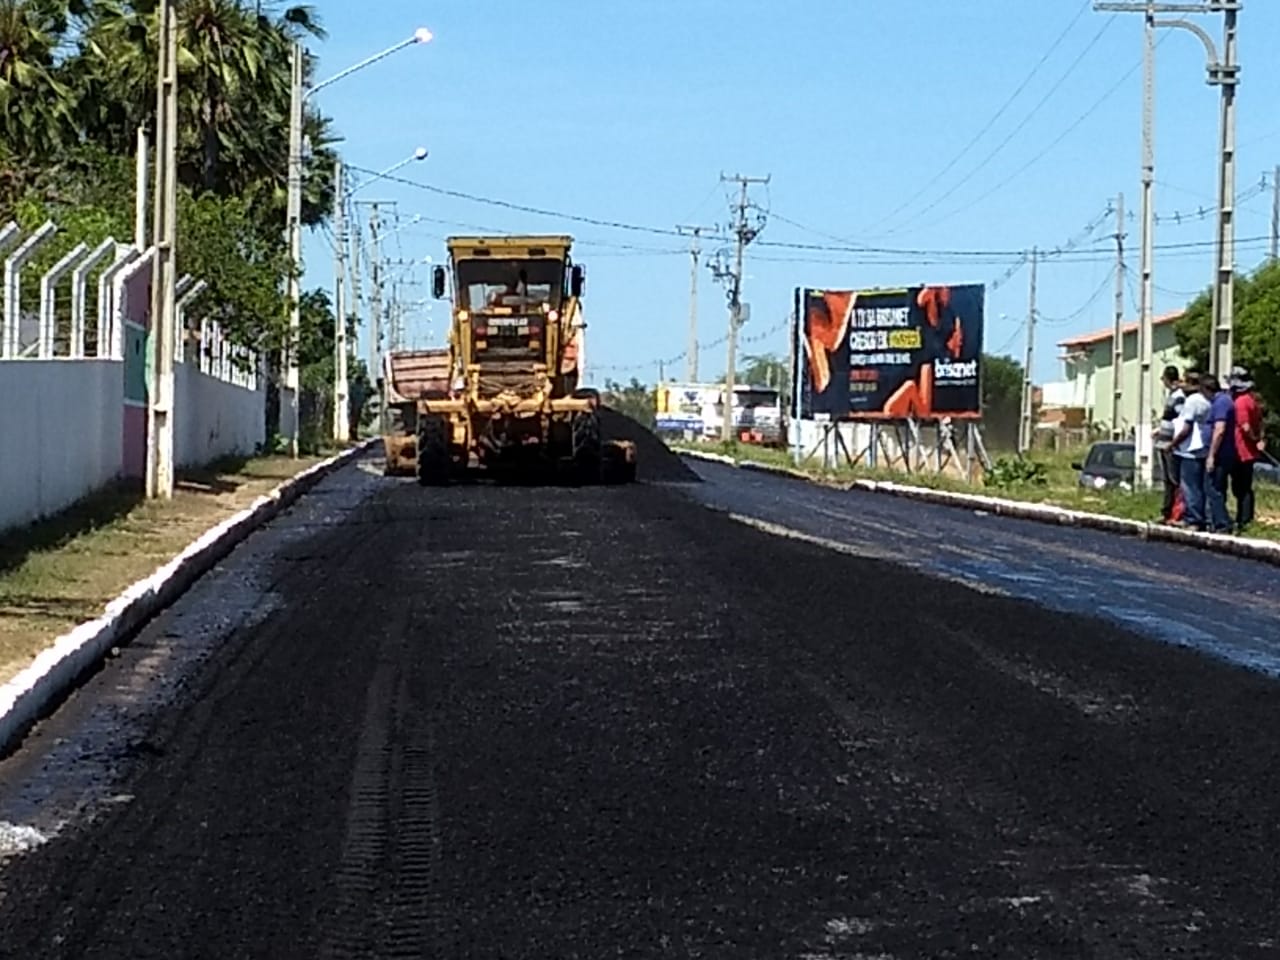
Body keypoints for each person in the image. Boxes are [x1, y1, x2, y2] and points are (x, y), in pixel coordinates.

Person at [1169, 371, 1210, 531]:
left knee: (1189, 486)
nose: (1181, 385)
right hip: (1202, 448)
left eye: (1184, 382)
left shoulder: (1192, 401)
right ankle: (1200, 516)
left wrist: (1173, 443)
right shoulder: (1207, 400)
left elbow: (1187, 427)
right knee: (1200, 486)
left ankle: (1193, 519)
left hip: (1189, 449)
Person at [1229, 365, 1265, 531]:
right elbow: (1259, 423)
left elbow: (1245, 426)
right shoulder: (1252, 401)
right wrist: (1259, 438)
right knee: (1245, 486)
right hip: (1249, 451)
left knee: (1240, 488)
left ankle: (1243, 519)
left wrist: (1253, 438)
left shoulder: (1241, 402)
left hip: (1241, 449)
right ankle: (1245, 517)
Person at [1203, 372, 1237, 534]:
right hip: (1224, 452)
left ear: (1206, 389)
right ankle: (1219, 521)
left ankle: (1222, 523)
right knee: (1219, 488)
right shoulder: (1222, 401)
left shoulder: (1221, 403)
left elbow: (1219, 430)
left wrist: (1211, 455)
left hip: (1220, 454)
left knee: (1213, 488)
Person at [1154, 365, 1186, 523]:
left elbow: (1181, 418)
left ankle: (1176, 512)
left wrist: (1174, 441)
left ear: (1167, 378)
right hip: (1163, 441)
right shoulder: (1173, 394)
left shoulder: (1178, 396)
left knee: (1174, 479)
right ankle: (1167, 511)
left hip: (1171, 444)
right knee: (1167, 479)